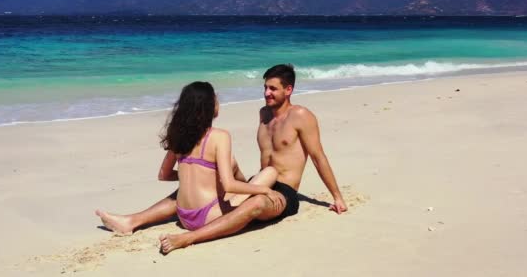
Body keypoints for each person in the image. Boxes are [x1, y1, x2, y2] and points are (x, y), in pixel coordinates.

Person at [159, 64, 347, 253]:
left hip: (284, 191)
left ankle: (189, 238)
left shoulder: (301, 116)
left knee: (255, 203)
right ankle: (135, 219)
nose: (267, 93)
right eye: (265, 87)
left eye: (273, 88)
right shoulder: (263, 114)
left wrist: (337, 197)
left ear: (288, 90)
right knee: (199, 186)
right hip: (259, 182)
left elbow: (318, 156)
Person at [95, 81, 280, 234]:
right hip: (209, 217)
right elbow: (230, 185)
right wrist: (264, 191)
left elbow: (163, 175)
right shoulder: (220, 136)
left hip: (184, 216)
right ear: (208, 106)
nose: (218, 102)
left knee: (210, 177)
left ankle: (130, 221)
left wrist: (195, 174)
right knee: (270, 172)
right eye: (215, 99)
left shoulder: (179, 134)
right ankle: (131, 221)